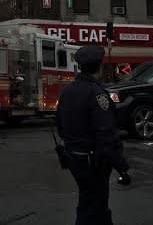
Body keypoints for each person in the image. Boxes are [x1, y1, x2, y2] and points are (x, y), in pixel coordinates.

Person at [56, 45, 130, 225]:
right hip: (92, 161)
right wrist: (121, 167)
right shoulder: (98, 94)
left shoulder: (67, 91)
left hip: (74, 157)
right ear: (100, 65)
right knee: (95, 207)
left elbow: (60, 125)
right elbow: (106, 135)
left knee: (88, 202)